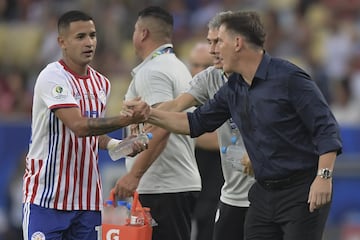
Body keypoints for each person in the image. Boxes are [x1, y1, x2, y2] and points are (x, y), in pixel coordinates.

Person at [135, 10, 343, 240]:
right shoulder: (233, 87)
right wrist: (149, 113)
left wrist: (324, 177)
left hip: (300, 192)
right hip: (263, 193)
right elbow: (195, 122)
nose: (214, 50)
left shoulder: (289, 78)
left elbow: (326, 128)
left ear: (237, 43)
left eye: (219, 42)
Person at [22, 10, 150, 240]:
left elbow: (94, 133)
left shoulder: (102, 83)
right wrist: (127, 118)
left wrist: (119, 146)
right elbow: (79, 127)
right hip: (46, 199)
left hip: (87, 202)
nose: (89, 42)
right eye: (80, 37)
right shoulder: (52, 77)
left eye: (92, 35)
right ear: (62, 42)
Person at [150, 11, 254, 240]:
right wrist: (147, 115)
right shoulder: (204, 83)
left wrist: (174, 127)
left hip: (247, 181)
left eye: (218, 43)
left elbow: (200, 131)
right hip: (220, 181)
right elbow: (182, 112)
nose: (199, 69)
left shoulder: (254, 82)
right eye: (194, 64)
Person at [113, 6, 201, 240]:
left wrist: (134, 175)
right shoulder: (177, 67)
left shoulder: (153, 72)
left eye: (134, 30)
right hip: (174, 184)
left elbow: (163, 127)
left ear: (142, 34)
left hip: (162, 187)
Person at [187, 41, 224, 240]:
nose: (199, 71)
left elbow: (221, 140)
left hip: (216, 181)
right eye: (195, 65)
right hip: (190, 179)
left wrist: (181, 131)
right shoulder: (185, 96)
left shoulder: (224, 95)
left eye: (205, 66)